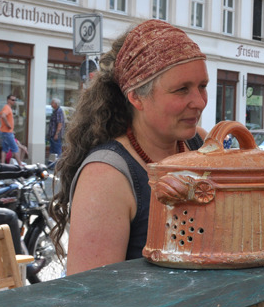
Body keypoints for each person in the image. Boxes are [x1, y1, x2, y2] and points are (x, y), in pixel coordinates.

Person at [49, 20, 208, 275]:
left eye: (203, 86)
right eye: (181, 90)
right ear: (136, 97)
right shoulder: (106, 176)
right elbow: (92, 295)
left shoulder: (198, 143)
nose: (199, 102)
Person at [0, 94, 22, 165]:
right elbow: (3, 116)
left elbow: (2, 116)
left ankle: (2, 165)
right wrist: (8, 125)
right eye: (12, 100)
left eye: (15, 100)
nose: (14, 101)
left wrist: (10, 128)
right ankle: (20, 165)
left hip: (4, 131)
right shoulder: (7, 107)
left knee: (5, 149)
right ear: (8, 100)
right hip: (7, 132)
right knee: (15, 148)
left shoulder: (7, 107)